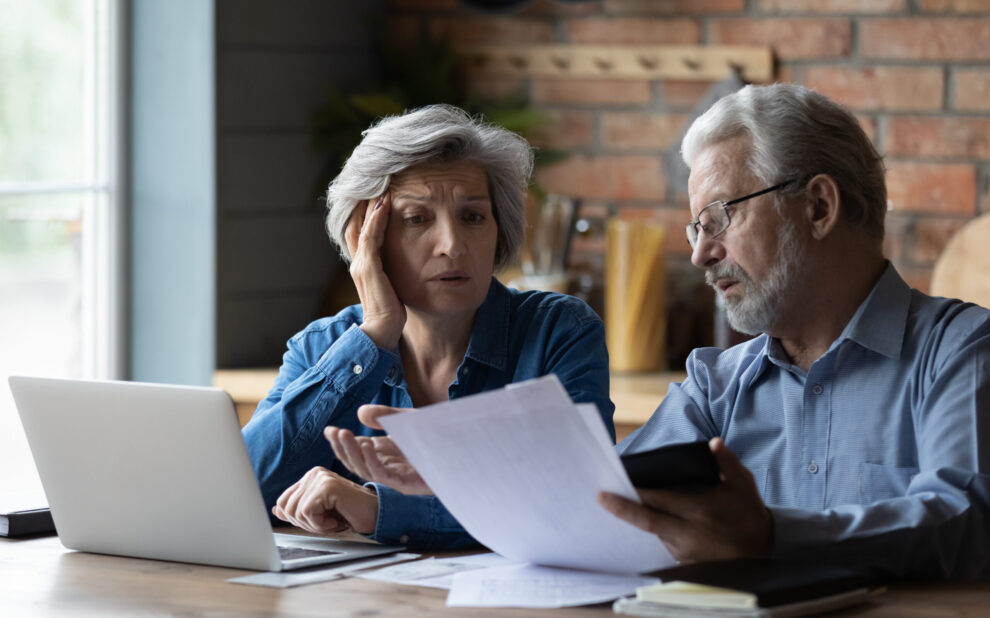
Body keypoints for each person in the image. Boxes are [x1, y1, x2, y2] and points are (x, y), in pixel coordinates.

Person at [332, 84, 990, 580]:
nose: (702, 254)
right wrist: (460, 477)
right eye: (696, 229)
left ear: (817, 206)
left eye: (719, 219)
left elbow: (966, 522)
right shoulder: (716, 385)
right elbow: (603, 504)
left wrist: (769, 537)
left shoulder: (961, 351)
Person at [241, 104, 614, 549]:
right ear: (365, 239)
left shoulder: (559, 332)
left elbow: (582, 502)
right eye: (417, 219)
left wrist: (380, 510)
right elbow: (237, 492)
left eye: (473, 217)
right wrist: (375, 333)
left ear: (500, 230)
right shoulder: (323, 346)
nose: (453, 245)